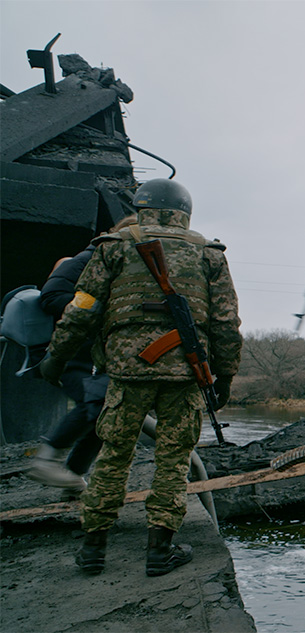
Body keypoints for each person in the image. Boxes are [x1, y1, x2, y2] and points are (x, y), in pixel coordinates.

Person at [38, 179, 243, 577]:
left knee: (114, 456)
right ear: (185, 213)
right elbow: (225, 324)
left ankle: (93, 549)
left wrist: (55, 359)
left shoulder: (112, 247)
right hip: (184, 374)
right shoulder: (209, 255)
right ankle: (159, 552)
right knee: (173, 461)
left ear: (142, 207)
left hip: (127, 371)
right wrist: (225, 377)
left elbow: (81, 310)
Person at [27, 215, 138, 493]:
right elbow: (51, 296)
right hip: (67, 352)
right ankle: (47, 461)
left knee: (105, 414)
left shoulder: (120, 264)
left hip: (93, 357)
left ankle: (74, 477)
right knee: (98, 404)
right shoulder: (88, 259)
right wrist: (100, 309)